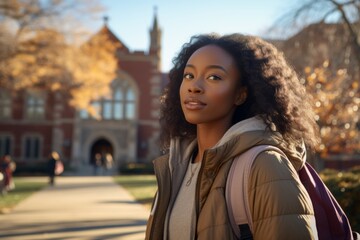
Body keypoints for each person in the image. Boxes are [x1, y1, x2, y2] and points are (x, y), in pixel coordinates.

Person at [145, 33, 321, 240]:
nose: (194, 86)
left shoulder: (266, 166)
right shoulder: (175, 167)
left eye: (214, 77)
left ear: (241, 94)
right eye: (189, 75)